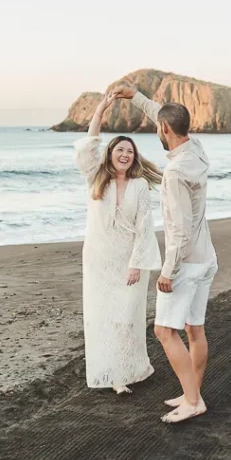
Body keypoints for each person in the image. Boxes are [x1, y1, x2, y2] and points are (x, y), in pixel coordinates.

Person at [114, 85, 217, 424]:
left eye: (160, 126)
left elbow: (179, 230)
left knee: (163, 331)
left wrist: (168, 272)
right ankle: (193, 394)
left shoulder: (173, 175)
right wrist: (138, 98)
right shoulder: (196, 149)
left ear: (164, 130)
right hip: (206, 259)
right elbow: (166, 115)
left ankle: (192, 401)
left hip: (185, 263)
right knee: (194, 328)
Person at [73, 91, 163, 394]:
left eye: (130, 151)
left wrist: (137, 263)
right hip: (99, 259)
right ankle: (112, 375)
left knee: (127, 317)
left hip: (129, 259)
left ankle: (130, 368)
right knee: (102, 317)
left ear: (134, 157)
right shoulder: (96, 178)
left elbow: (144, 228)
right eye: (120, 149)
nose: (125, 154)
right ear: (110, 153)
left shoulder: (139, 185)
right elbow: (89, 144)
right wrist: (102, 108)